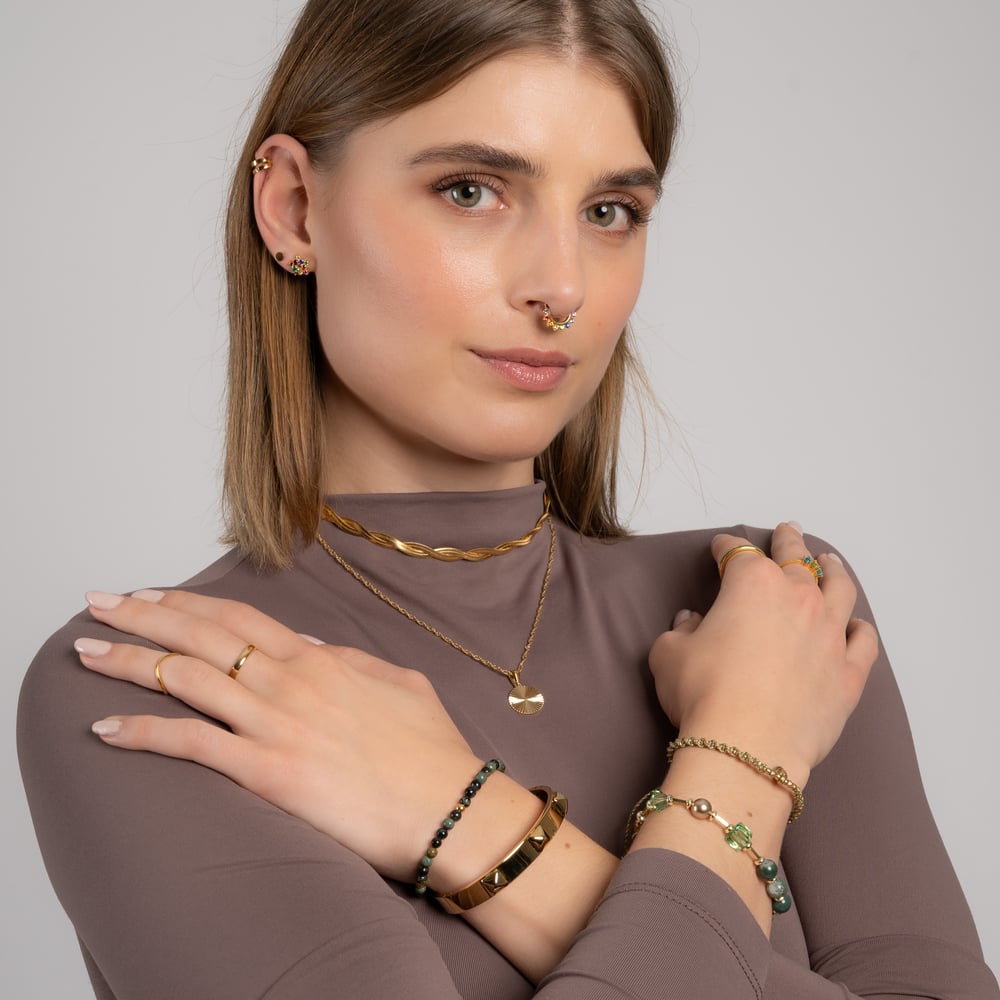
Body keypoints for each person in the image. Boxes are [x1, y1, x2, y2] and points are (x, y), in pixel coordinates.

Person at [16, 0, 999, 997]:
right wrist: (744, 761)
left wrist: (466, 815)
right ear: (295, 208)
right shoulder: (169, 683)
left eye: (609, 211)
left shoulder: (771, 614)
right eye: (472, 191)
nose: (561, 287)